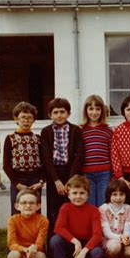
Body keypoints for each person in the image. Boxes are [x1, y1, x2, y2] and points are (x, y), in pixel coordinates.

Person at [41, 98, 83, 235]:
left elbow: (79, 155)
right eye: (56, 112)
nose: (59, 115)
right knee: (54, 211)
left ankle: (72, 246)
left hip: (71, 173)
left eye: (62, 112)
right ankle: (53, 247)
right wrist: (57, 181)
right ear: (50, 115)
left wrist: (70, 181)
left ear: (68, 114)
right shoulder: (46, 132)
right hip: (54, 175)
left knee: (72, 210)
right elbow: (46, 157)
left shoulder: (76, 130)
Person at [49, 175, 104, 258]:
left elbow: (97, 235)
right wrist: (75, 241)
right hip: (72, 244)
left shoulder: (93, 210)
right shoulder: (65, 207)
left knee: (97, 253)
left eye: (82, 193)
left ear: (88, 195)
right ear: (68, 195)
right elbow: (58, 228)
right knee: (55, 240)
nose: (78, 196)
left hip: (88, 246)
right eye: (74, 193)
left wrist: (84, 251)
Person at [3, 102, 45, 215]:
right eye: (23, 118)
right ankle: (16, 232)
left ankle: (36, 232)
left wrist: (41, 181)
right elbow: (6, 165)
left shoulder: (38, 139)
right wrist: (16, 183)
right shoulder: (10, 138)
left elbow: (44, 162)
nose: (26, 121)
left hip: (34, 179)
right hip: (18, 179)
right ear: (16, 119)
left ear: (34, 120)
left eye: (29, 118)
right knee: (18, 210)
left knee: (34, 208)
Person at [6, 189, 49, 258]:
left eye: (31, 203)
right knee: (12, 257)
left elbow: (40, 241)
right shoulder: (12, 220)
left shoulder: (43, 220)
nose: (28, 206)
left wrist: (34, 247)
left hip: (35, 252)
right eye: (23, 203)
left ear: (38, 206)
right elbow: (11, 243)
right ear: (17, 206)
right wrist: (24, 250)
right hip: (20, 251)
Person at [99, 179, 130, 258]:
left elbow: (127, 228)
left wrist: (127, 236)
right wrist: (121, 238)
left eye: (121, 194)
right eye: (114, 194)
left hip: (122, 237)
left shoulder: (127, 208)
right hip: (109, 240)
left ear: (126, 195)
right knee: (115, 247)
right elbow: (106, 232)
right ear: (109, 195)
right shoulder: (103, 209)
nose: (118, 198)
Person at [80, 94, 113, 207]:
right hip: (87, 173)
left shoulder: (107, 131)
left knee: (103, 204)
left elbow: (111, 153)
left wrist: (113, 173)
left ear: (102, 111)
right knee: (90, 204)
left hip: (104, 173)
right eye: (91, 109)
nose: (94, 112)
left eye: (97, 109)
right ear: (86, 111)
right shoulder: (81, 131)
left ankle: (103, 225)